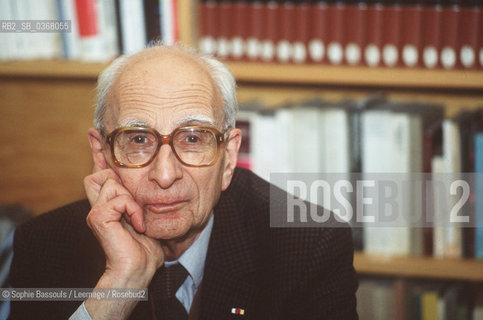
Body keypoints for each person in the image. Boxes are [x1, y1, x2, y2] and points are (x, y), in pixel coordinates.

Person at [8, 44, 358, 319]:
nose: (164, 175)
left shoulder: (309, 245)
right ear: (102, 155)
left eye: (193, 138)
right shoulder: (43, 246)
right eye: (138, 139)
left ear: (229, 158)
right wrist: (119, 287)